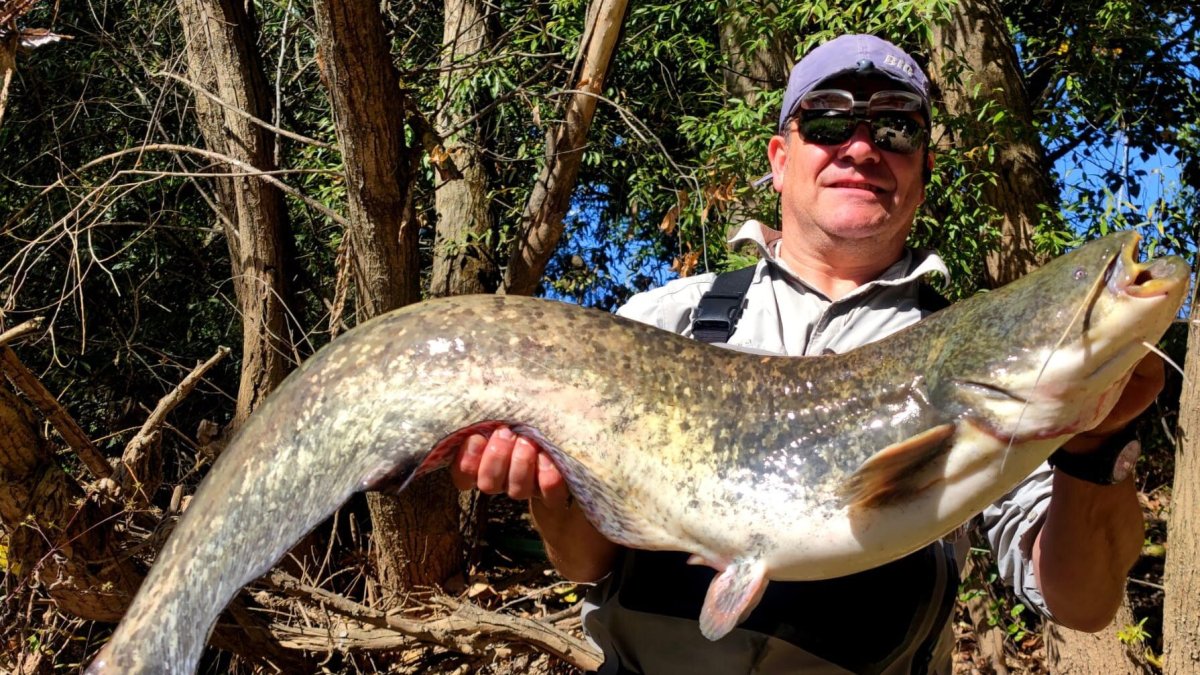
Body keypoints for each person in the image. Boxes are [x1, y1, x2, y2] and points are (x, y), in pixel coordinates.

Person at [451, 34, 1158, 674]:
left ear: (923, 166)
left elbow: (1082, 602)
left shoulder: (978, 366)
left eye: (895, 126)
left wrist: (1094, 454)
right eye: (825, 121)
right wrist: (547, 494)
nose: (860, 146)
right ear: (780, 158)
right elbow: (586, 562)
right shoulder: (658, 324)